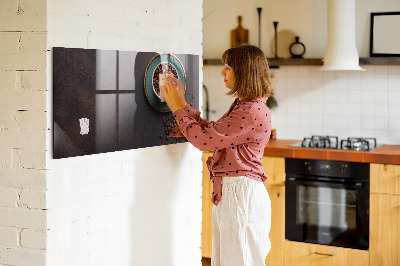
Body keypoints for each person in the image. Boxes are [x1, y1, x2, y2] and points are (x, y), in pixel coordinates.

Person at [161, 44, 273, 266]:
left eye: (228, 67)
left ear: (244, 72)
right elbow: (212, 133)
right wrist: (182, 103)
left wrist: (176, 108)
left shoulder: (250, 111)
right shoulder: (246, 106)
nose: (222, 72)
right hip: (236, 193)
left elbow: (204, 141)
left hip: (241, 196)